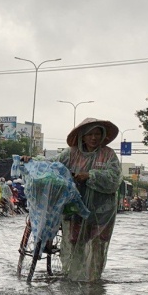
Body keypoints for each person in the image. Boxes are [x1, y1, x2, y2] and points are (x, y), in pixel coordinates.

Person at [54, 117, 122, 282]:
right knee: (74, 242)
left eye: (97, 134)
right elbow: (53, 165)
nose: (94, 138)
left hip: (102, 211)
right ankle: (72, 276)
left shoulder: (108, 154)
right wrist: (32, 160)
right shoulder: (70, 153)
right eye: (90, 134)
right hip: (75, 208)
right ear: (82, 136)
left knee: (97, 244)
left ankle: (93, 280)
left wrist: (90, 175)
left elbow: (114, 178)